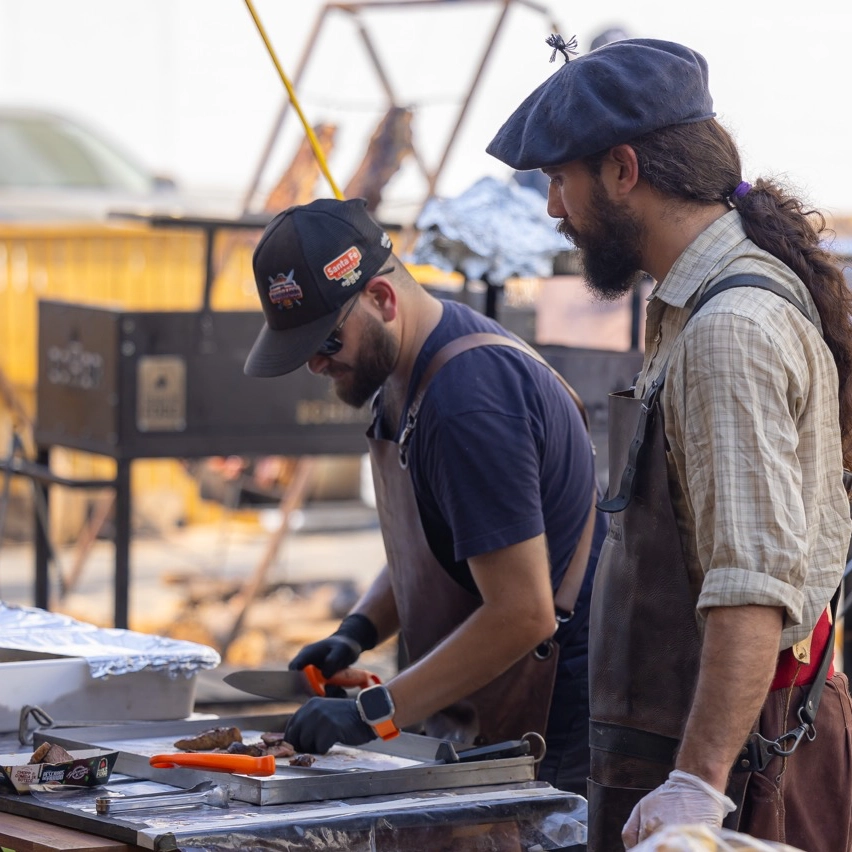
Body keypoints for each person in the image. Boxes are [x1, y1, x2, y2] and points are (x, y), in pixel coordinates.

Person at [487, 37, 852, 851]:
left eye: (560, 180)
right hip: (694, 746)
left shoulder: (730, 330)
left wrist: (699, 784)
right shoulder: (691, 311)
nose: (553, 208)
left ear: (623, 170)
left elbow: (753, 584)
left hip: (739, 769)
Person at [242, 197, 606, 794]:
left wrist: (374, 712)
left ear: (382, 300)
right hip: (484, 709)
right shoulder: (401, 367)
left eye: (327, 342)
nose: (315, 363)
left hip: (552, 729)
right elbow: (437, 542)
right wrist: (358, 630)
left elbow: (523, 612)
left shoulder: (467, 402)